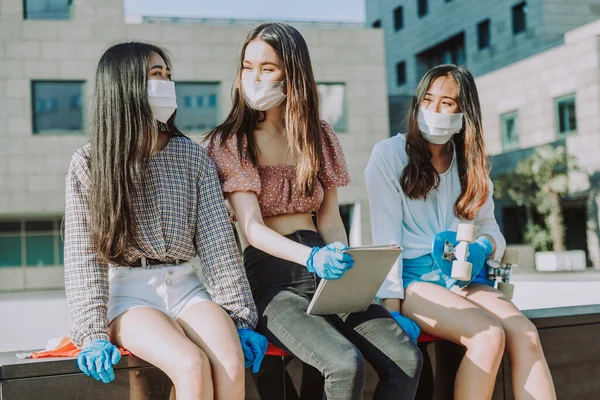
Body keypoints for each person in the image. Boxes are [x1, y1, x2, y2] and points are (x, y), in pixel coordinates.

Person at [206, 22, 422, 400]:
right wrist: (313, 257)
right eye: (247, 66)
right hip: (272, 277)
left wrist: (347, 267)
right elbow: (253, 228)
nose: (254, 77)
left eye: (268, 68)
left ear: (292, 74)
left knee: (406, 358)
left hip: (325, 266)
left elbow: (330, 219)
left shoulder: (318, 134)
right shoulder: (231, 141)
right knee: (344, 365)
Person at [63, 42, 267, 400]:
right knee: (190, 364)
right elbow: (83, 260)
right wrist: (93, 334)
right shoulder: (89, 163)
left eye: (168, 75)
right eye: (156, 75)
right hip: (129, 294)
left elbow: (219, 245)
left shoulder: (191, 155)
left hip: (187, 285)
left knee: (232, 365)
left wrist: (239, 316)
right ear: (125, 85)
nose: (166, 84)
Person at [365, 64, 556, 400]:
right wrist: (391, 311)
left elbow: (490, 227)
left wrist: (483, 246)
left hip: (463, 275)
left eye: (447, 103)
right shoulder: (388, 155)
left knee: (525, 334)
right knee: (488, 336)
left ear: (464, 112)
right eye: (428, 100)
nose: (434, 111)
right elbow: (386, 240)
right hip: (415, 281)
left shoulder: (471, 160)